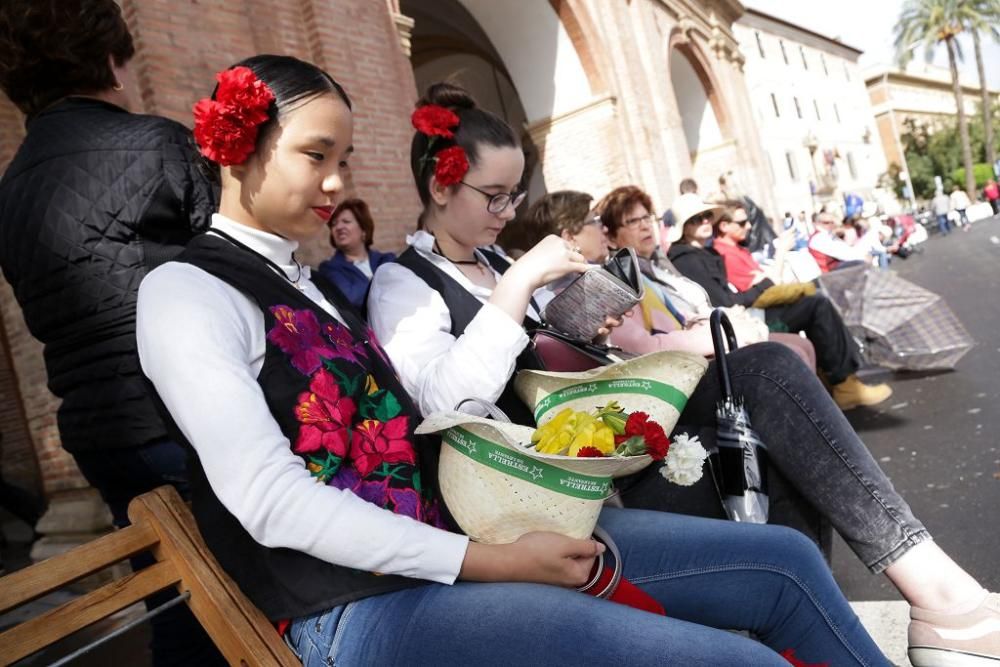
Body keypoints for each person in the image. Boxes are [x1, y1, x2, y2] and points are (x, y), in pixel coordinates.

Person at [136, 58, 890, 667]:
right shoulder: (182, 293)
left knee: (784, 564)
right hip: (355, 610)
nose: (338, 184)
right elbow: (273, 500)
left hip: (473, 536)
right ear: (236, 143)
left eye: (344, 158)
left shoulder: (301, 281)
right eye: (314, 155)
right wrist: (494, 560)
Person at [593, 185, 1000, 667]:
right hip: (645, 428)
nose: (645, 226)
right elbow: (641, 346)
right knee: (771, 368)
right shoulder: (612, 276)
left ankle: (935, 595)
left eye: (649, 216)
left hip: (683, 387)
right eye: (496, 195)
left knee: (785, 382)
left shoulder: (660, 269)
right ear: (606, 233)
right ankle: (940, 597)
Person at [0, 2, 221, 664]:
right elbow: (231, 270)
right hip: (183, 418)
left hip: (99, 436)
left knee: (179, 594)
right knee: (231, 600)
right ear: (110, 64)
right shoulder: (155, 141)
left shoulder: (9, 193)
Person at [661, 193, 893, 410]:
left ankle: (839, 384)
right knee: (816, 308)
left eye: (706, 216)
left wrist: (766, 282)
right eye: (695, 219)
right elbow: (726, 303)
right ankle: (842, 385)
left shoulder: (706, 253)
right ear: (684, 227)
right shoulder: (689, 259)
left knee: (814, 311)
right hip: (740, 324)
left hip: (747, 317)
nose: (704, 221)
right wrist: (766, 281)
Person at [316, 198, 396, 309]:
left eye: (346, 222)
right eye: (334, 224)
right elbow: (351, 298)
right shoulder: (329, 269)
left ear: (363, 229)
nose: (338, 227)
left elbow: (400, 287)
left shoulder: (386, 259)